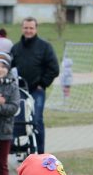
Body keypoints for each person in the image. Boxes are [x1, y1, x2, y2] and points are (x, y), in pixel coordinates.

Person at [11, 17, 58, 154]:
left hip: (36, 90)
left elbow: (54, 68)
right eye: (26, 28)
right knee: (18, 120)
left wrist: (42, 83)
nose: (28, 31)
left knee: (36, 120)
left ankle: (40, 153)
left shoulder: (45, 47)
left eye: (31, 28)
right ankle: (16, 147)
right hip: (19, 91)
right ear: (22, 28)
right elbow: (9, 67)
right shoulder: (16, 48)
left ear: (36, 29)